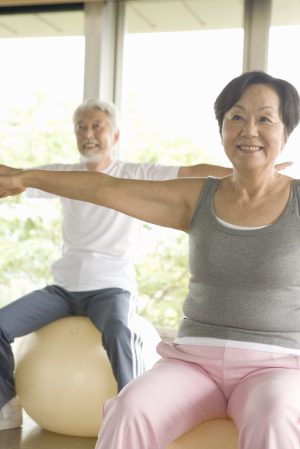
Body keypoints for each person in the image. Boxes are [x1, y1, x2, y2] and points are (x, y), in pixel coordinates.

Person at [0, 71, 299, 449]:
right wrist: (26, 177)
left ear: (286, 132)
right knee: (130, 407)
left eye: (265, 118)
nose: (249, 130)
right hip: (194, 363)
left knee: (273, 418)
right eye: (236, 117)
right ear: (222, 128)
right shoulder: (196, 197)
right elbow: (106, 188)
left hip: (274, 365)